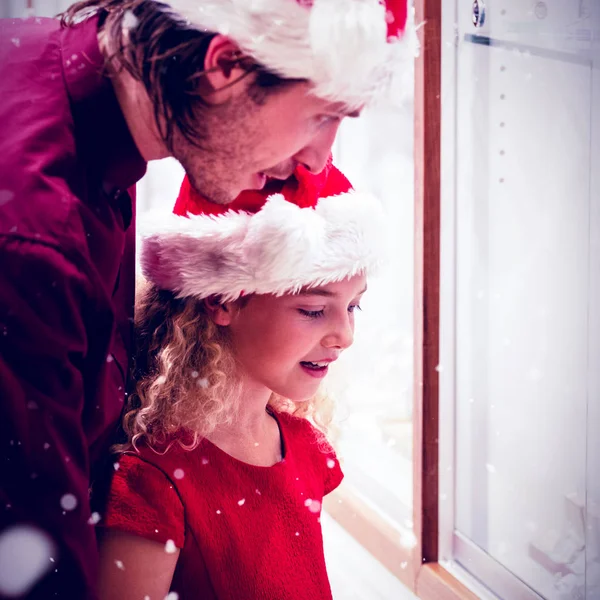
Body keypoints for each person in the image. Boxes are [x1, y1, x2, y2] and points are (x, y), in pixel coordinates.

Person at [0, 0, 408, 598]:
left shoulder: (63, 94)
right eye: (321, 116)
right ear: (224, 68)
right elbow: (29, 557)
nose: (319, 160)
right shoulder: (36, 237)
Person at [96, 157, 385, 600]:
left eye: (353, 306)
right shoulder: (155, 482)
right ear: (222, 300)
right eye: (312, 310)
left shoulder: (304, 447)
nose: (344, 335)